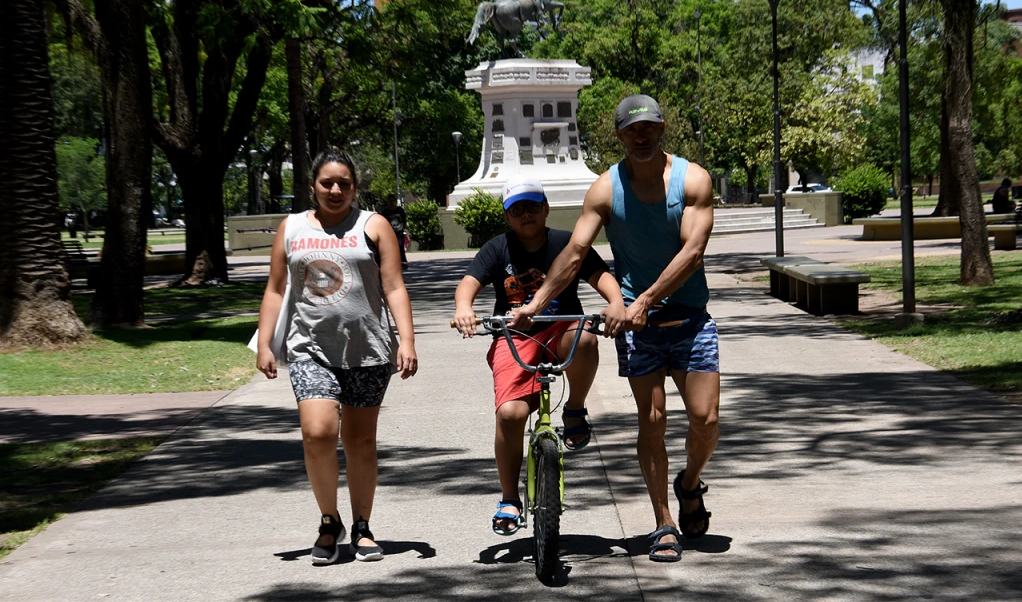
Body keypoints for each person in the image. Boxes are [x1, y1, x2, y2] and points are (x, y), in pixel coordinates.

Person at [511, 94, 719, 564]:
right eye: (631, 130)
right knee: (653, 420)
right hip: (638, 328)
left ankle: (689, 483)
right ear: (620, 135)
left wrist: (645, 299)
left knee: (705, 421)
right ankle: (664, 523)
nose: (640, 136)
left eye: (648, 128)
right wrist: (536, 303)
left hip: (688, 318)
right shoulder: (605, 189)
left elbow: (692, 253)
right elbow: (574, 254)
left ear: (662, 127)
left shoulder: (693, 180)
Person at [255, 151, 419, 565]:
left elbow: (394, 286)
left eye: (344, 183)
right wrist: (263, 344)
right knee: (318, 433)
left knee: (360, 443)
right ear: (313, 185)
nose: (335, 190)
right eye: (327, 182)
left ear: (355, 188)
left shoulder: (373, 226)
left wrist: (407, 340)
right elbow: (276, 288)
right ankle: (330, 521)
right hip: (310, 348)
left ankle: (362, 526)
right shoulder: (291, 228)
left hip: (368, 348)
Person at [453, 176, 626, 536]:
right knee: (510, 414)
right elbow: (469, 283)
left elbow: (600, 276)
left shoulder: (566, 243)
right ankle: (509, 498)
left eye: (533, 206)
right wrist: (464, 308)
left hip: (562, 329)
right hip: (515, 336)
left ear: (546, 208)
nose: (527, 214)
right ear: (507, 216)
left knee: (587, 341)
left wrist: (616, 303)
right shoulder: (497, 248)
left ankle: (575, 409)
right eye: (517, 210)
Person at [379, 195, 408, 270]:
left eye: (392, 200)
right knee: (390, 248)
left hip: (399, 230)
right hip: (389, 232)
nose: (391, 202)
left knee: (400, 246)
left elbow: (404, 219)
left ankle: (403, 262)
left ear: (395, 201)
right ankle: (393, 263)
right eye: (389, 201)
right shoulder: (385, 211)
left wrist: (404, 227)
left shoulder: (399, 210)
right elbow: (382, 220)